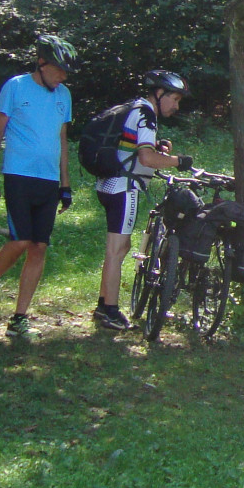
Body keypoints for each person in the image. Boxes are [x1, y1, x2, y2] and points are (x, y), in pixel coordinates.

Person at [0, 35, 76, 336]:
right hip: (19, 175)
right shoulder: (15, 87)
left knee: (39, 247)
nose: (63, 76)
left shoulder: (64, 95)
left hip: (49, 180)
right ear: (42, 63)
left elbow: (62, 139)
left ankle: (19, 318)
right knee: (20, 241)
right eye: (59, 69)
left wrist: (65, 184)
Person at [93, 70, 194, 331]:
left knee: (119, 247)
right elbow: (146, 159)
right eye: (175, 99)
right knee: (117, 250)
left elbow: (135, 147)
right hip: (123, 188)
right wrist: (179, 161)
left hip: (109, 183)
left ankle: (103, 305)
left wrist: (157, 147)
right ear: (159, 93)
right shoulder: (146, 114)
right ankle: (110, 311)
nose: (176, 106)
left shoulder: (135, 109)